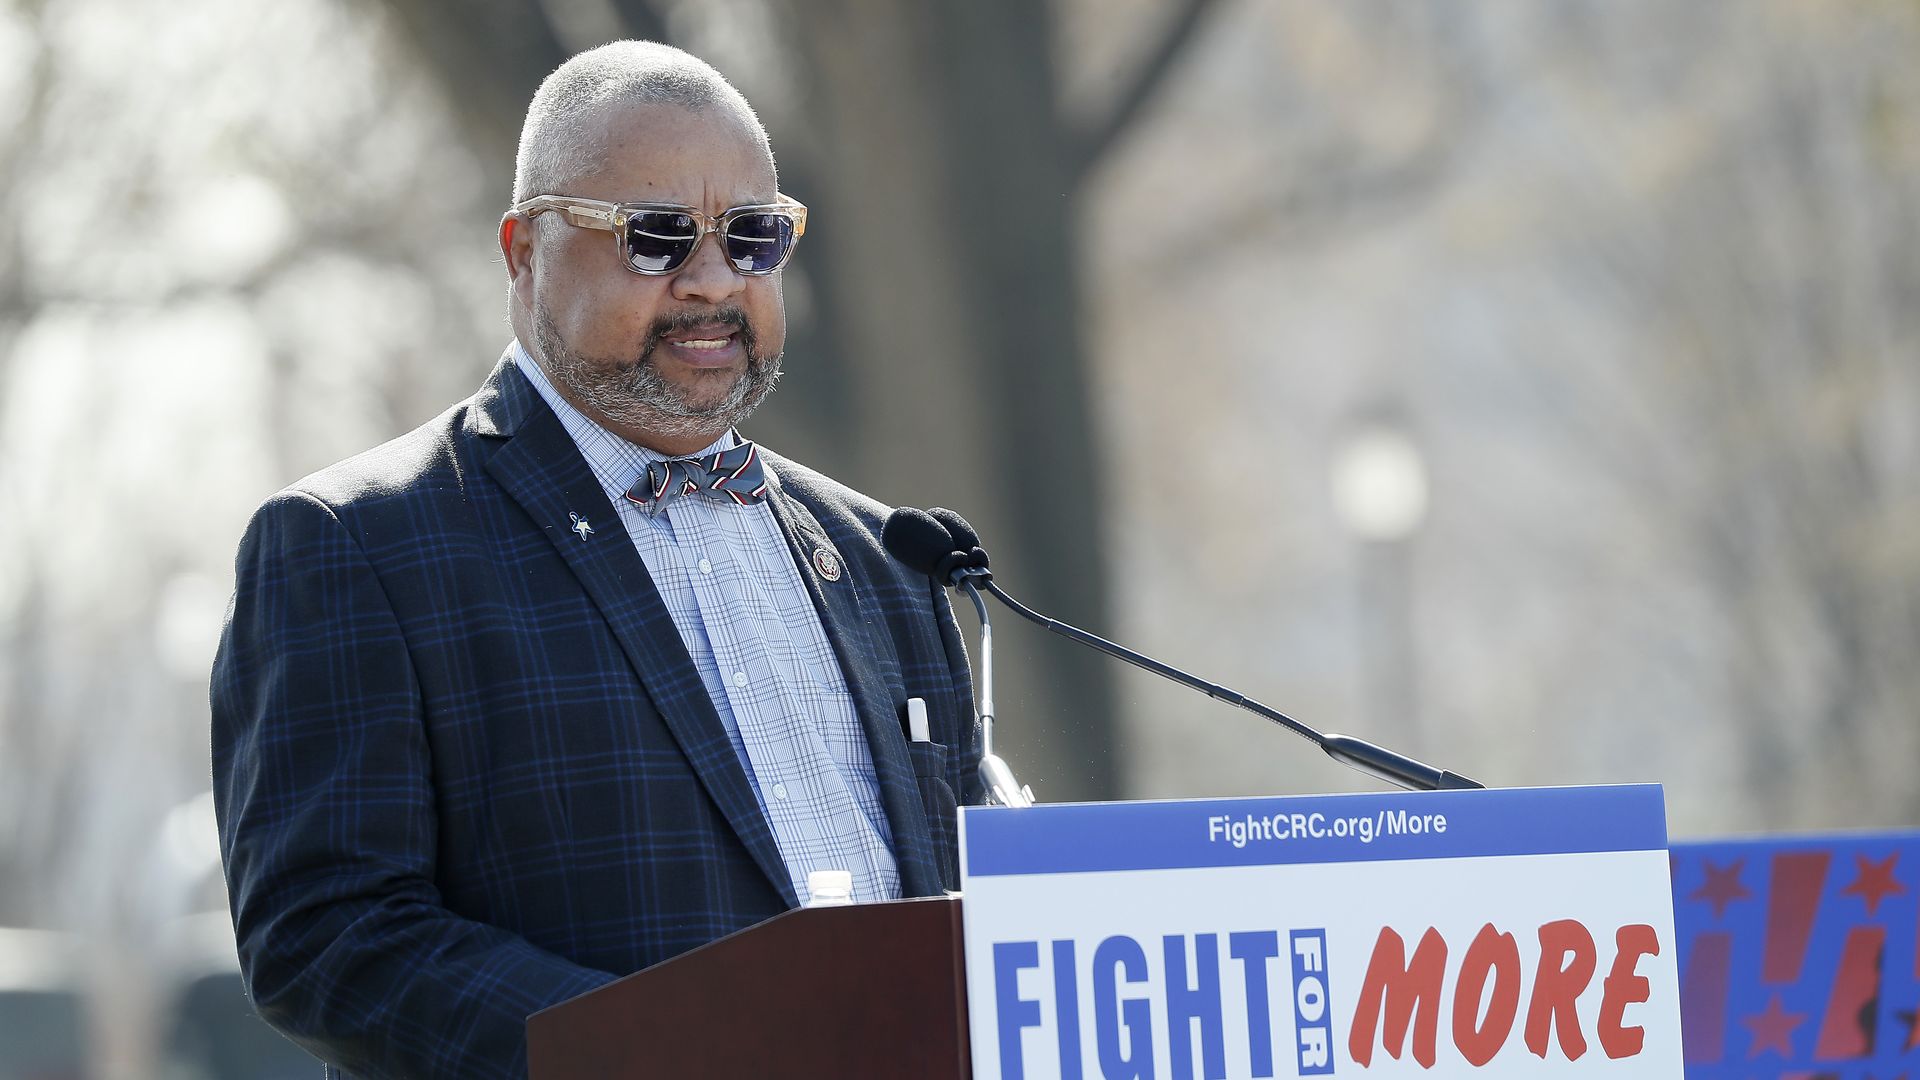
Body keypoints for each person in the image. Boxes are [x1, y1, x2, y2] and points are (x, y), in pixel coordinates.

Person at [211, 40, 979, 1079]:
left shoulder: (886, 559)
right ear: (524, 251)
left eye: (751, 236)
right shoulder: (357, 546)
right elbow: (328, 940)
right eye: (656, 238)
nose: (713, 281)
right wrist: (673, 1056)